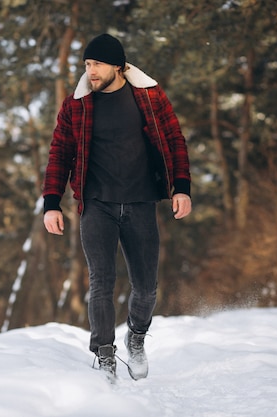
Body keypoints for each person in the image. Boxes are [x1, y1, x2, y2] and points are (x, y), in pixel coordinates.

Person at [42, 33, 192, 382]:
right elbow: (59, 155)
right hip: (97, 205)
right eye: (87, 65)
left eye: (96, 64)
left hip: (141, 203)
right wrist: (52, 204)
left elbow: (175, 140)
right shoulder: (76, 106)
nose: (90, 71)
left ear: (118, 66)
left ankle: (136, 338)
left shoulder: (149, 98)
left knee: (146, 287)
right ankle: (104, 354)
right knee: (101, 283)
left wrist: (181, 188)